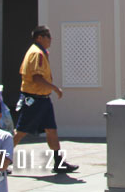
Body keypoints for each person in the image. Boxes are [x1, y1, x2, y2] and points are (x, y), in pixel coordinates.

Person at [13, 25, 78, 173]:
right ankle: (0, 160)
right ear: (39, 38)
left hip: (43, 99)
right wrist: (55, 88)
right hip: (34, 99)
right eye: (47, 36)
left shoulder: (40, 52)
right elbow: (36, 78)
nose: (50, 39)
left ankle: (58, 162)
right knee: (21, 132)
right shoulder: (37, 54)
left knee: (51, 130)